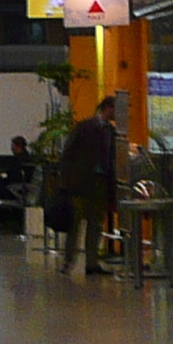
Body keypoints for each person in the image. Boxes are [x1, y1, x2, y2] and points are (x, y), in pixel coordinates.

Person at [58, 93, 121, 276]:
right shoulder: (84, 127)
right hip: (80, 185)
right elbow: (68, 154)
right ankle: (68, 261)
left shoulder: (111, 131)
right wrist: (67, 181)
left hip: (99, 185)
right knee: (75, 225)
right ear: (108, 108)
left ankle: (92, 262)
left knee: (95, 225)